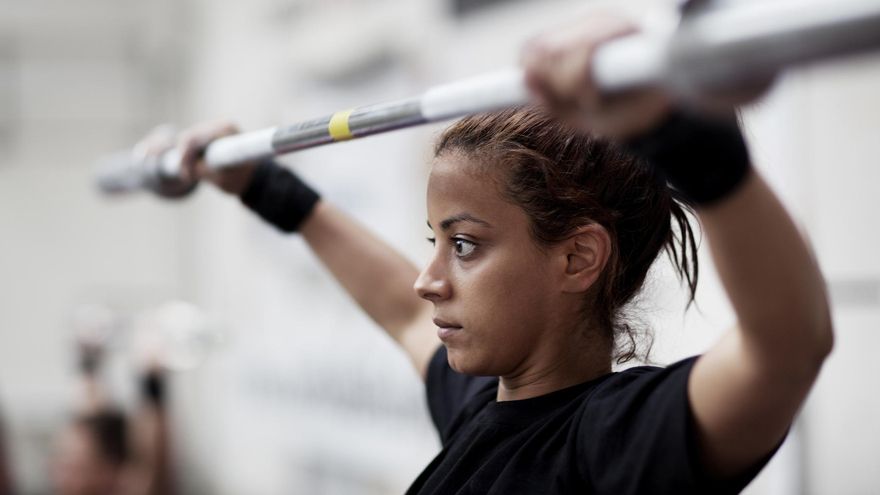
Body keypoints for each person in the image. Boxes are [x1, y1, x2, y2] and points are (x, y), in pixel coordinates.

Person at [144, 11, 833, 494]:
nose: (427, 280)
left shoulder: (612, 441)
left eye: (465, 245)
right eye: (435, 242)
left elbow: (788, 346)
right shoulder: (479, 404)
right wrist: (261, 184)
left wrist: (686, 136)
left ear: (577, 258)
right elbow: (398, 309)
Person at [50, 332, 173, 495]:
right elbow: (88, 418)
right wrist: (88, 363)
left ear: (112, 472)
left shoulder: (134, 483)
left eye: (74, 467)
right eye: (62, 462)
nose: (59, 474)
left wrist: (151, 378)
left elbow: (149, 466)